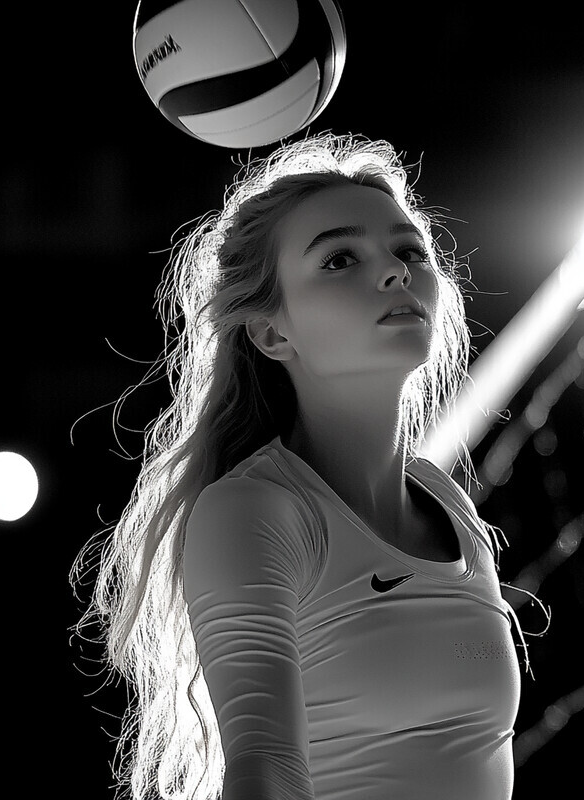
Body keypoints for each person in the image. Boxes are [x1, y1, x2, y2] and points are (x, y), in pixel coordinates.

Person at [71, 133, 532, 800]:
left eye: (410, 251)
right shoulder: (254, 510)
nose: (396, 271)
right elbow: (265, 770)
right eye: (341, 259)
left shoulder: (444, 499)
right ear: (271, 332)